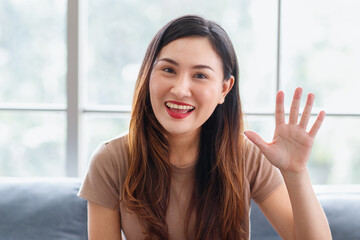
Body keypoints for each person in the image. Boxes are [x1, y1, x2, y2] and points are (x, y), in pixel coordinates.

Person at [78, 15, 332, 240]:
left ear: (224, 89)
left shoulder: (247, 156)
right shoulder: (111, 160)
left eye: (200, 75)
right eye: (168, 70)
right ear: (147, 75)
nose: (179, 89)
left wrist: (296, 173)